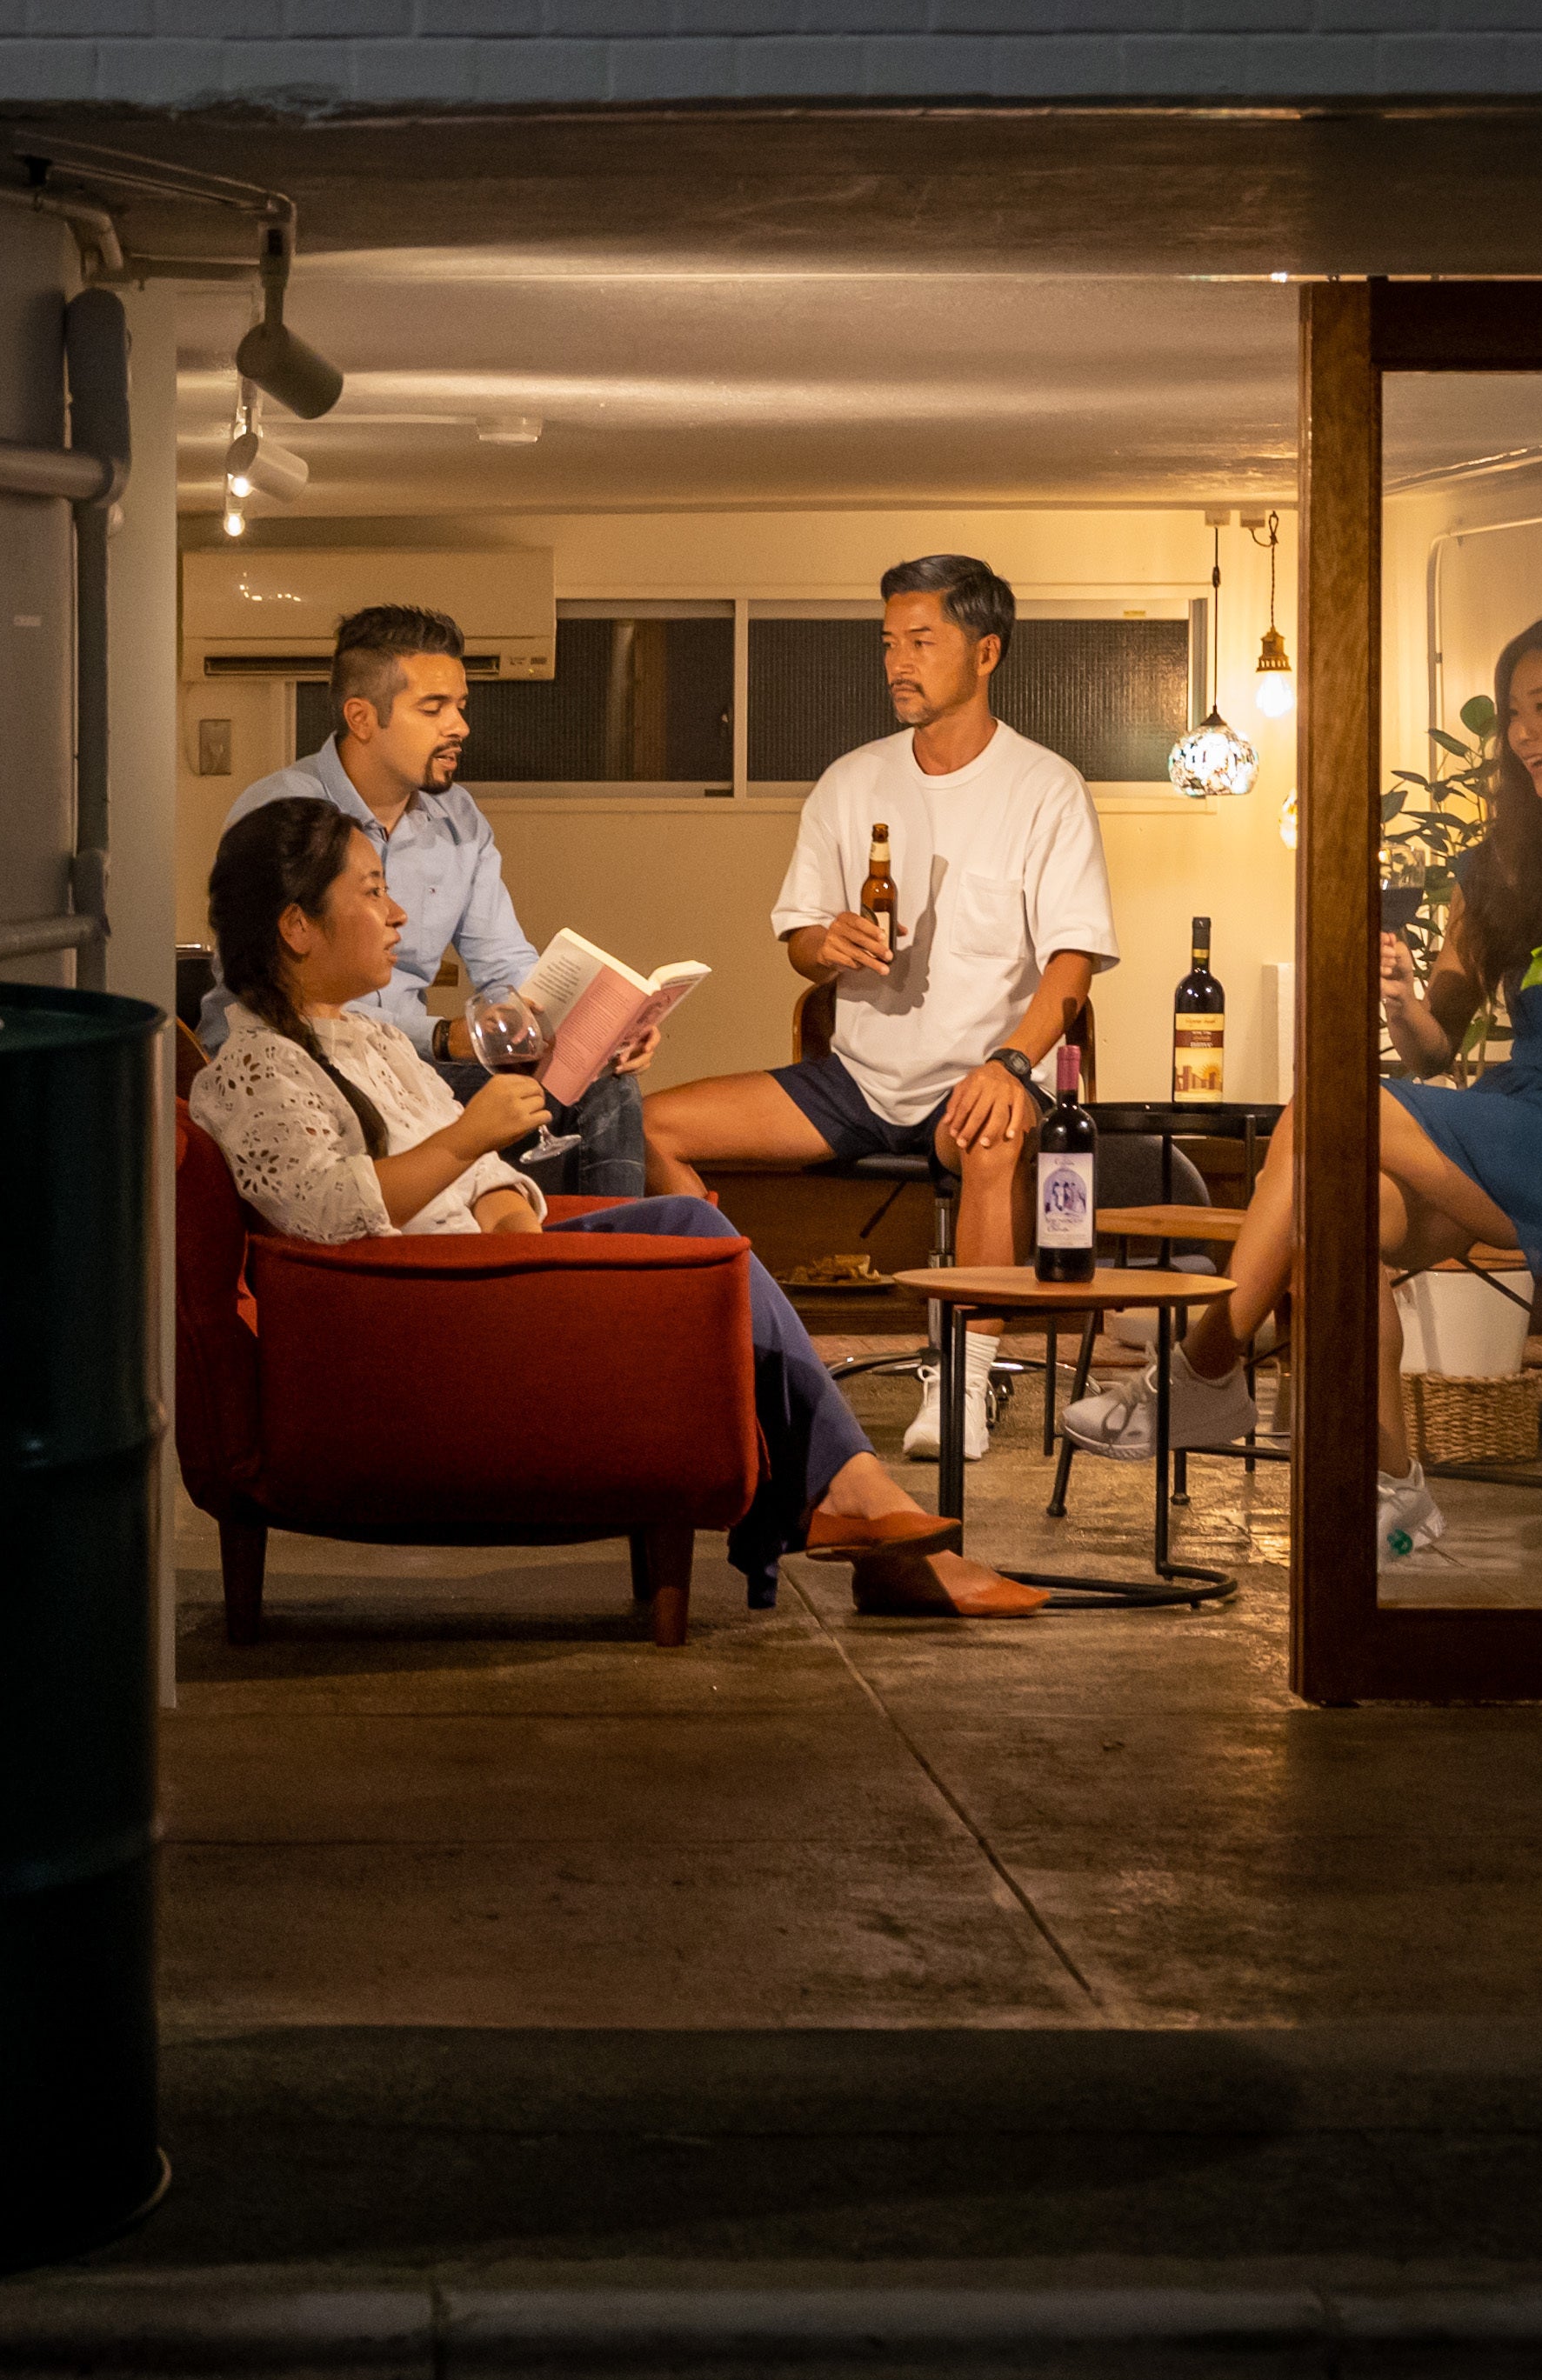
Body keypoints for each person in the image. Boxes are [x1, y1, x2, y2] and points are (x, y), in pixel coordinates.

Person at [189, 797, 1046, 1618]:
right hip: (422, 1318)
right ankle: (860, 1510)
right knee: (693, 1234)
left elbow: (476, 1176)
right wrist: (468, 1149)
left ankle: (861, 1513)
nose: (398, 913)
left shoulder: (371, 1039)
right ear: (297, 926)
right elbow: (328, 1211)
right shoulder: (257, 1068)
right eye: (372, 891)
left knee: (698, 1243)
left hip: (475, 1279)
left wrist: (513, 1227)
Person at [1059, 608, 1542, 1566]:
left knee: (1328, 1110)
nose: (1521, 733)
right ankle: (1391, 1484)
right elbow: (1436, 1048)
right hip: (1519, 1121)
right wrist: (1400, 1000)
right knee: (1340, 1212)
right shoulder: (1504, 870)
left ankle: (1206, 1365)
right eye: (1512, 713)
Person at [637, 553, 1118, 1466]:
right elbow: (797, 938)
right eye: (889, 642)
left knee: (989, 1134)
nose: (897, 662)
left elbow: (1072, 962)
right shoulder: (850, 781)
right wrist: (827, 942)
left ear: (985, 652)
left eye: (921, 642)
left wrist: (1010, 1065)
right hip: (856, 1077)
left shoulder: (1044, 786)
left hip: (981, 1072)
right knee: (651, 1122)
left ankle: (965, 1375)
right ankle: (744, 1339)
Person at [209, 604, 657, 1195]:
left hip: (406, 1063)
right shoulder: (285, 814)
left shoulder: (459, 819)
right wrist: (441, 1037)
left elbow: (506, 967)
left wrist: (592, 1029)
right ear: (362, 718)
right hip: (302, 1057)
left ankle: (601, 1245)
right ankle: (591, 1246)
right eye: (434, 708)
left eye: (461, 706)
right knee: (559, 1107)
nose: (460, 727)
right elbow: (265, 988)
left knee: (599, 1084)